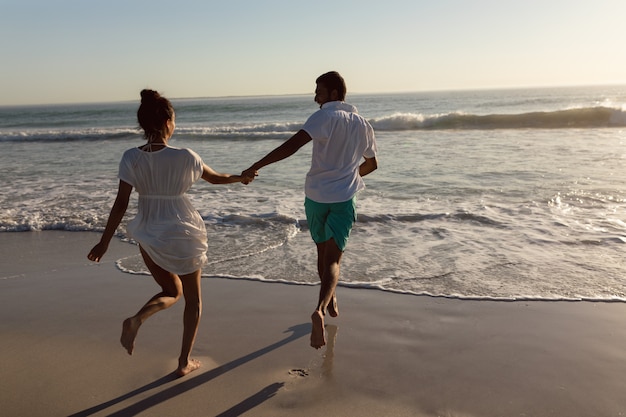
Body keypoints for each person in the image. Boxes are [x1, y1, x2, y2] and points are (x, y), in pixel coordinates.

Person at [88, 89, 254, 377]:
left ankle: (138, 319)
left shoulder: (130, 158)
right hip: (182, 231)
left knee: (170, 291)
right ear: (167, 121)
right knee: (193, 300)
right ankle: (183, 362)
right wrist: (242, 177)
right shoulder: (186, 157)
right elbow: (216, 179)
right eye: (174, 119)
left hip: (148, 231)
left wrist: (103, 243)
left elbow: (121, 204)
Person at [242, 71, 378, 349]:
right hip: (343, 198)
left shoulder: (323, 117)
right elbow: (372, 164)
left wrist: (256, 165)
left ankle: (329, 298)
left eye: (319, 91)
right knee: (334, 260)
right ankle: (320, 307)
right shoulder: (363, 124)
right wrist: (351, 177)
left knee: (321, 252)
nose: (315, 96)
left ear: (333, 94)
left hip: (315, 196)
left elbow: (290, 146)